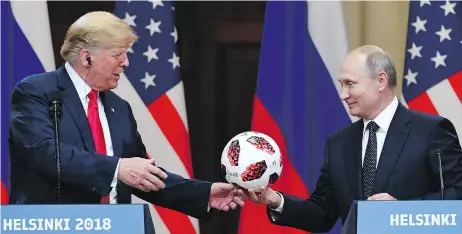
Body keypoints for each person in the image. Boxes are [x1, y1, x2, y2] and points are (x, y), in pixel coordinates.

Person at [8, 11, 244, 218]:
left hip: (116, 225)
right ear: (86, 57)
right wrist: (117, 168)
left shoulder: (119, 107)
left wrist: (203, 193)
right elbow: (44, 153)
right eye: (117, 54)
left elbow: (141, 175)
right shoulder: (37, 92)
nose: (126, 63)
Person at [242, 45, 462, 232]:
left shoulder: (431, 131)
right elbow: (322, 213)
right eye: (341, 85)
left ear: (381, 80)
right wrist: (275, 200)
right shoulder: (339, 144)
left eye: (350, 84)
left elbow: (457, 198)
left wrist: (402, 211)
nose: (343, 94)